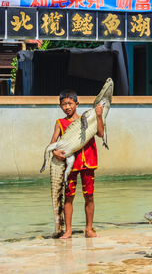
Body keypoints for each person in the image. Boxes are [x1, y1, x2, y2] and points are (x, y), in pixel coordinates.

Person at [49, 89, 104, 239]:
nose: (67, 107)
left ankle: (89, 230)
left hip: (88, 161)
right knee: (68, 197)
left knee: (89, 196)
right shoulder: (60, 123)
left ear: (76, 104)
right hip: (70, 164)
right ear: (60, 106)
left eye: (70, 103)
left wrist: (99, 116)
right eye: (64, 104)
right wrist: (55, 153)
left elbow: (100, 134)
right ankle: (68, 230)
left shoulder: (88, 118)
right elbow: (53, 143)